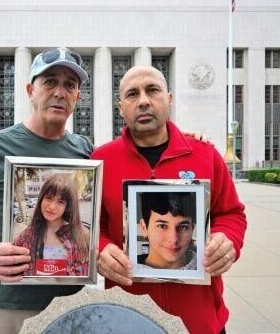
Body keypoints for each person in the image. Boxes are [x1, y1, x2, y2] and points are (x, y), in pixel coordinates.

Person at [0, 47, 93, 333]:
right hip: (2, 303)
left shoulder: (85, 151)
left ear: (77, 96)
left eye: (69, 85)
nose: (60, 92)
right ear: (30, 90)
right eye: (49, 82)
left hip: (68, 304)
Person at [91, 66, 247, 333]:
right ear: (121, 108)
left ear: (169, 98)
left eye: (152, 90)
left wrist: (228, 240)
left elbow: (232, 214)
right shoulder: (101, 161)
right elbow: (91, 227)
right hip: (127, 319)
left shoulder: (205, 155)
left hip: (199, 320)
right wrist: (101, 250)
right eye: (132, 94)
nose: (143, 100)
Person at [13, 174, 89, 276]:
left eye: (60, 202)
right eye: (48, 198)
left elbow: (83, 275)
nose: (52, 206)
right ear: (41, 199)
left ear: (68, 206)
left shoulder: (82, 237)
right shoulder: (25, 237)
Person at [137, 192, 196, 270]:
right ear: (144, 228)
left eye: (183, 227)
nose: (174, 239)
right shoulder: (127, 270)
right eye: (162, 226)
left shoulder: (207, 268)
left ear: (192, 229)